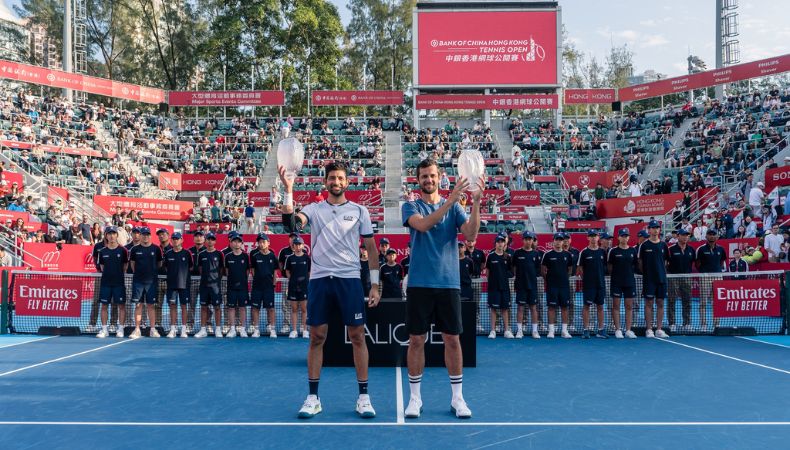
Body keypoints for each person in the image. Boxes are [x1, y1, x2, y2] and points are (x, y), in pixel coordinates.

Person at [278, 161, 381, 420]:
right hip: (320, 280)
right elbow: (292, 226)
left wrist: (375, 284)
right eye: (332, 178)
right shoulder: (313, 209)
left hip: (349, 279)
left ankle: (364, 397)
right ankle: (313, 398)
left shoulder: (360, 211)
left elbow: (371, 249)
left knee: (357, 336)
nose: (336, 182)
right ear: (325, 182)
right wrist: (288, 191)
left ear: (347, 182)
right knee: (317, 337)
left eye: (340, 178)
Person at [401, 158, 482, 419]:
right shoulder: (411, 205)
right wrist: (450, 202)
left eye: (432, 175)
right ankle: (415, 398)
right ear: (418, 180)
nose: (429, 179)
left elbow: (470, 234)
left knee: (452, 340)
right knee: (416, 340)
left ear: (439, 177)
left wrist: (476, 203)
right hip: (419, 283)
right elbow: (423, 225)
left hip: (448, 283)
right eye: (424, 176)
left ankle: (458, 398)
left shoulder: (456, 207)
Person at [129, 227, 163, 339]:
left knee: (151, 305)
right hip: (138, 281)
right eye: (143, 234)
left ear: (150, 236)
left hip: (151, 282)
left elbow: (159, 264)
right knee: (138, 305)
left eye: (147, 234)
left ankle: (152, 329)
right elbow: (132, 264)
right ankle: (137, 329)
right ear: (140, 236)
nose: (145, 236)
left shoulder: (156, 249)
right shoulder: (134, 249)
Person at [637, 220, 670, 338]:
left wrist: (660, 271)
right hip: (649, 280)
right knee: (649, 303)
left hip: (661, 279)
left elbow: (666, 262)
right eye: (653, 228)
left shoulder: (664, 245)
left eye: (657, 228)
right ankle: (649, 329)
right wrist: (648, 273)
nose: (655, 230)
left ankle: (659, 329)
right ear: (649, 230)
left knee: (660, 303)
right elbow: (640, 262)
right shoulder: (644, 245)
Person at [96, 227, 128, 339]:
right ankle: (104, 330)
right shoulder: (102, 251)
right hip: (105, 283)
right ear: (106, 236)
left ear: (117, 235)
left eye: (114, 233)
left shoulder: (123, 250)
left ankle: (120, 329)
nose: (111, 236)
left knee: (121, 306)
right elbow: (102, 267)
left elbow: (125, 266)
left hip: (119, 283)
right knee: (104, 306)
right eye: (109, 234)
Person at [542, 233, 574, 339]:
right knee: (551, 308)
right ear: (553, 241)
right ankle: (551, 331)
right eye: (557, 240)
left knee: (564, 308)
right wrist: (549, 280)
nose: (559, 242)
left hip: (564, 286)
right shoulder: (547, 255)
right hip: (552, 286)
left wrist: (564, 277)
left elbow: (570, 270)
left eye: (560, 240)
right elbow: (543, 270)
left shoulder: (568, 255)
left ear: (563, 241)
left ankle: (564, 331)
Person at [577, 230, 608, 339]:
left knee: (600, 307)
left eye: (595, 236)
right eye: (591, 236)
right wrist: (586, 280)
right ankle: (586, 330)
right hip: (589, 285)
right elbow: (580, 269)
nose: (593, 238)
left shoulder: (602, 252)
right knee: (586, 306)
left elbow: (605, 266)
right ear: (588, 238)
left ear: (598, 237)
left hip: (600, 284)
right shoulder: (584, 252)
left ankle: (601, 330)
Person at [607, 229, 638, 339]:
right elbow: (609, 267)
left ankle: (628, 330)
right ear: (618, 237)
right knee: (616, 306)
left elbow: (635, 265)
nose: (624, 238)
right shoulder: (613, 251)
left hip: (629, 282)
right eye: (622, 236)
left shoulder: (633, 251)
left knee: (629, 306)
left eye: (626, 236)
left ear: (628, 237)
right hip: (616, 282)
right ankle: (618, 330)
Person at [511, 231, 541, 339]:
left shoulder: (536, 254)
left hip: (532, 286)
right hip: (521, 286)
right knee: (520, 308)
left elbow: (537, 268)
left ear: (532, 240)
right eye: (526, 239)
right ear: (523, 240)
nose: (528, 241)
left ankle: (534, 331)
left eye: (530, 239)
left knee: (533, 308)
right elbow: (514, 268)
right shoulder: (517, 253)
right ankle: (519, 331)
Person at [194, 233, 225, 338]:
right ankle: (203, 330)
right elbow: (200, 269)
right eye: (208, 239)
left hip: (215, 286)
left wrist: (216, 280)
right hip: (204, 286)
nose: (210, 241)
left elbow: (221, 270)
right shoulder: (201, 254)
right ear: (205, 241)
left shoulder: (219, 254)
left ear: (215, 241)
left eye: (212, 239)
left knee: (217, 307)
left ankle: (218, 330)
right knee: (203, 307)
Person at [695, 229, 727, 331]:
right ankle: (703, 325)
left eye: (714, 234)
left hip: (718, 276)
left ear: (717, 236)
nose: (712, 236)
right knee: (703, 302)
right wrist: (704, 272)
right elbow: (697, 264)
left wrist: (716, 271)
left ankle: (716, 324)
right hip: (705, 276)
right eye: (710, 234)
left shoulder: (721, 249)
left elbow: (721, 262)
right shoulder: (701, 249)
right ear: (706, 236)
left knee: (717, 302)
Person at [163, 232, 193, 338]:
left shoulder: (187, 253)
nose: (175, 240)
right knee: (172, 306)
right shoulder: (168, 254)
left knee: (184, 306)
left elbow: (191, 267)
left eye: (177, 238)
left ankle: (183, 330)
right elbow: (166, 267)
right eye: (174, 239)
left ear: (181, 240)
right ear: (171, 240)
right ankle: (173, 329)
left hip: (184, 285)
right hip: (171, 285)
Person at [249, 233, 279, 338]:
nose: (261, 244)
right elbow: (253, 270)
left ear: (268, 243)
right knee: (255, 308)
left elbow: (275, 272)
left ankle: (273, 330)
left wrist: (273, 284)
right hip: (257, 287)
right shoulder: (255, 256)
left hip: (269, 287)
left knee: (271, 309)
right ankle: (256, 330)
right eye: (260, 242)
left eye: (264, 242)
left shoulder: (273, 256)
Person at [485, 234, 513, 339]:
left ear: (504, 244)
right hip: (493, 288)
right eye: (498, 242)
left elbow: (510, 271)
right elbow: (487, 273)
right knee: (493, 309)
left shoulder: (508, 257)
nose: (500, 244)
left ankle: (506, 331)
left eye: (502, 242)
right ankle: (493, 331)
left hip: (505, 288)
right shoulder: (490, 256)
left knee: (505, 309)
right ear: (495, 243)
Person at [667, 229, 695, 333]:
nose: (685, 237)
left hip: (687, 277)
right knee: (671, 300)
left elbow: (694, 263)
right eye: (683, 235)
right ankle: (672, 323)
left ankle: (687, 323)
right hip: (673, 277)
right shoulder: (670, 249)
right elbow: (666, 263)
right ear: (678, 236)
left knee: (687, 300)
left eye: (687, 235)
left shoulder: (691, 250)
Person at [224, 234, 251, 338]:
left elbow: (247, 271)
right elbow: (227, 271)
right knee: (231, 308)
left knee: (242, 308)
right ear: (231, 243)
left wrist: (242, 279)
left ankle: (243, 329)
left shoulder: (245, 256)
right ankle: (232, 329)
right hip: (231, 287)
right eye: (234, 241)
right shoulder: (228, 256)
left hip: (243, 287)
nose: (236, 243)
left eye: (238, 241)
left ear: (241, 243)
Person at [284, 236, 311, 339]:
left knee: (304, 309)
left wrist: (306, 281)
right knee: (294, 309)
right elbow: (287, 271)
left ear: (303, 246)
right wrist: (292, 280)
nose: (298, 246)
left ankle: (305, 330)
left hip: (304, 287)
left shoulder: (307, 258)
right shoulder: (290, 258)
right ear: (293, 246)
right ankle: (294, 330)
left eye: (300, 244)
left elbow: (309, 272)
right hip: (293, 287)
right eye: (296, 245)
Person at [277, 232, 300, 334]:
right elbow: (280, 264)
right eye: (291, 238)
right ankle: (286, 324)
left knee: (300, 302)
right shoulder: (283, 251)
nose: (292, 239)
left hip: (299, 282)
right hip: (286, 281)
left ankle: (301, 325)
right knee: (285, 303)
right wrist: (284, 274)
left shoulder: (302, 251)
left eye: (295, 237)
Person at [464, 239, 486, 332]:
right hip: (466, 282)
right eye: (468, 241)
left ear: (475, 242)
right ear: (465, 242)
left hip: (477, 280)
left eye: (472, 241)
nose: (470, 243)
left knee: (476, 304)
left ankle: (477, 323)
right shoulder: (462, 252)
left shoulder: (480, 253)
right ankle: (465, 323)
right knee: (465, 302)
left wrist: (477, 272)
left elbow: (483, 264)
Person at [561, 233, 580, 331]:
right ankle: (555, 324)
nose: (566, 240)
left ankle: (571, 323)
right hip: (559, 280)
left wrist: (576, 275)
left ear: (570, 240)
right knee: (558, 302)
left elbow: (579, 265)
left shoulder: (576, 252)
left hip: (571, 280)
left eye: (567, 239)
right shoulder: (557, 251)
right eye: (564, 239)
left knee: (571, 302)